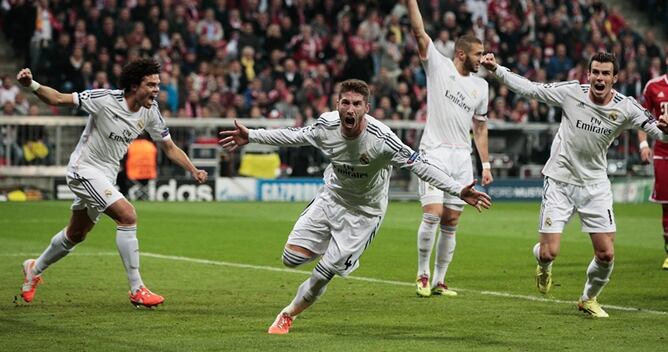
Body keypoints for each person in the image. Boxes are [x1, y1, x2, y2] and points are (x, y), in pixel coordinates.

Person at [219, 79, 492, 334]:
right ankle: (338, 254)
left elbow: (421, 165)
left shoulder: (382, 139)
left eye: (357, 104)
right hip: (331, 199)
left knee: (324, 272)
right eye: (345, 102)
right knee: (290, 260)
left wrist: (457, 189)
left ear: (366, 108)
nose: (350, 109)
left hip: (364, 214)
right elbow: (294, 136)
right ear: (337, 104)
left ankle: (288, 314)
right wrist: (251, 135)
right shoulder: (326, 126)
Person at [481, 52, 668, 317]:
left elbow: (657, 131)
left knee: (606, 254)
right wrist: (497, 69)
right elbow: (531, 89)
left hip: (594, 185)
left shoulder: (626, 106)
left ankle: (588, 299)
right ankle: (543, 266)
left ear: (615, 78)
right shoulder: (571, 93)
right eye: (595, 72)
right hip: (560, 181)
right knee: (548, 253)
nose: (599, 78)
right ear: (588, 74)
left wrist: (666, 131)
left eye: (605, 73)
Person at [16, 59, 208, 307]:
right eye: (151, 84)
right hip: (83, 170)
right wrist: (31, 84)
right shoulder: (104, 99)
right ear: (134, 85)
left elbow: (169, 146)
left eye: (157, 84)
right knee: (127, 215)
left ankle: (34, 268)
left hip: (106, 176)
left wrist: (192, 169)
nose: (156, 89)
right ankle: (137, 289)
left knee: (76, 234)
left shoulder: (150, 111)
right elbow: (57, 99)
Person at [407, 0, 493, 298]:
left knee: (452, 220)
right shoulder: (438, 65)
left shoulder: (481, 87)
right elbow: (419, 33)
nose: (482, 59)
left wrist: (486, 165)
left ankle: (441, 281)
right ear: (461, 54)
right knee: (432, 213)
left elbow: (480, 127)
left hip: (461, 157)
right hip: (434, 151)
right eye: (478, 54)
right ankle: (422, 274)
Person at [637, 72, 668, 270]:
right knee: (667, 205)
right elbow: (641, 116)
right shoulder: (653, 86)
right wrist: (643, 144)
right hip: (663, 153)